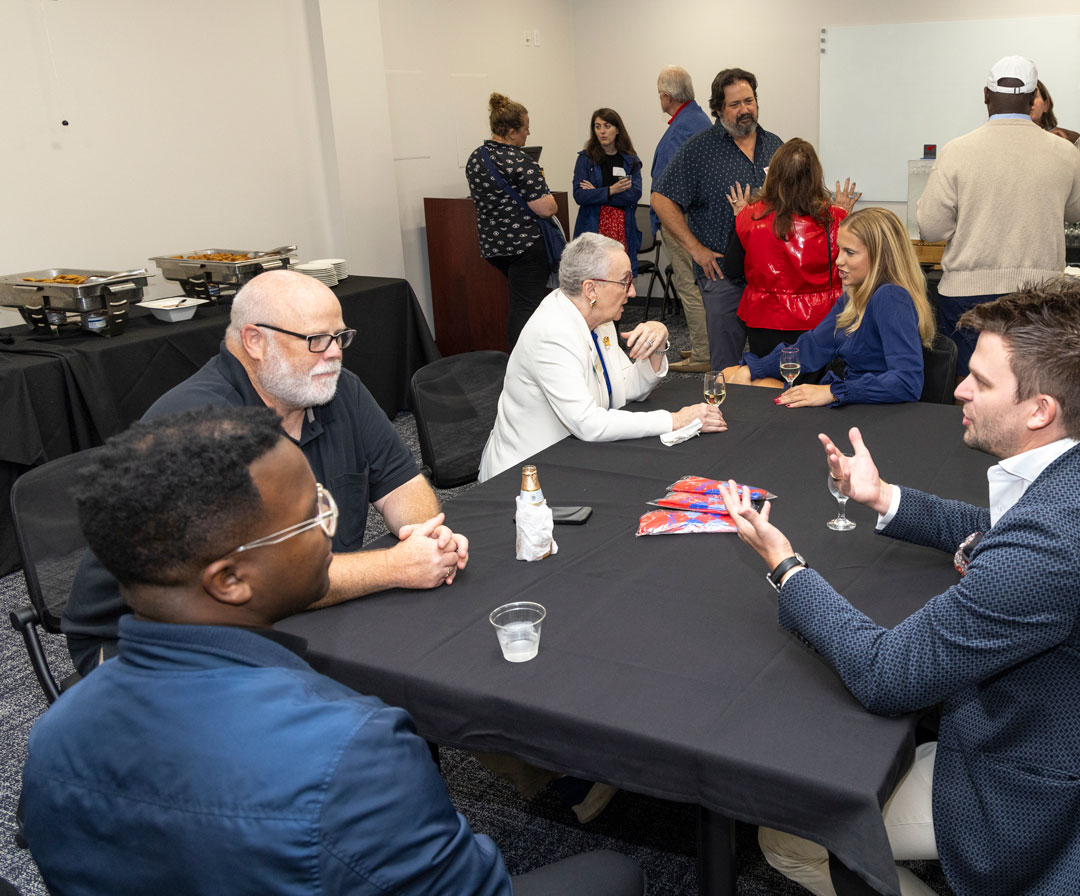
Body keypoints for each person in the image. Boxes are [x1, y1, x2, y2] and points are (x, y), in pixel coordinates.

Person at [21, 406, 646, 896]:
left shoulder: (54, 735)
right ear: (228, 580)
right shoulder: (350, 749)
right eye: (312, 514)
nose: (331, 527)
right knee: (615, 873)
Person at [717, 280, 1080, 896]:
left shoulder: (1052, 549)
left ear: (1039, 410)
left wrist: (787, 568)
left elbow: (887, 675)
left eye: (981, 381)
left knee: (785, 838)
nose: (959, 390)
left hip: (1032, 785)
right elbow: (1000, 533)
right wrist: (885, 496)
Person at [62, 270, 467, 676]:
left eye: (340, 337)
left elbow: (402, 483)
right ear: (255, 341)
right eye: (315, 340)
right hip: (149, 639)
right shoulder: (201, 427)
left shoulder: (337, 389)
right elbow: (266, 579)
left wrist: (424, 538)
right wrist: (395, 567)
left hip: (278, 601)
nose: (334, 354)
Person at [479, 233, 726, 482]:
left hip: (572, 455)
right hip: (525, 476)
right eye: (624, 281)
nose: (631, 292)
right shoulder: (552, 333)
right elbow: (588, 423)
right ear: (591, 289)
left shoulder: (598, 318)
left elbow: (628, 388)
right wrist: (675, 420)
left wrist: (659, 343)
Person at [916, 55, 1080, 378]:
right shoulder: (1064, 151)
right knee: (1032, 380)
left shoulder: (956, 151)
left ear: (985, 94)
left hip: (966, 294)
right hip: (1041, 293)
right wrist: (1079, 154)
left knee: (970, 382)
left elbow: (931, 228)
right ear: (1032, 101)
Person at [724, 207, 933, 408]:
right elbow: (812, 347)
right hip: (846, 396)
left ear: (881, 257)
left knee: (750, 386)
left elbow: (907, 383)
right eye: (839, 249)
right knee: (731, 374)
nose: (839, 260)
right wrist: (755, 368)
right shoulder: (853, 298)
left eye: (850, 253)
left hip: (870, 409)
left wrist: (832, 392)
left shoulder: (891, 298)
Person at [651, 67, 784, 370]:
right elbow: (660, 198)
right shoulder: (699, 150)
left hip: (769, 275)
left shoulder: (775, 146)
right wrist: (695, 249)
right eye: (735, 105)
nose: (745, 110)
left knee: (772, 364)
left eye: (749, 101)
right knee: (726, 365)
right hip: (722, 276)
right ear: (718, 109)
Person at [721, 138, 855, 356]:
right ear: (815, 176)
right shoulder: (836, 220)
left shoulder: (749, 217)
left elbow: (732, 269)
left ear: (773, 175)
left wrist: (741, 218)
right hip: (820, 322)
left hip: (763, 321)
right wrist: (845, 218)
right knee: (816, 385)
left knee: (767, 383)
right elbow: (852, 271)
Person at [466, 91, 559, 347]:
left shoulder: (476, 158)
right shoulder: (520, 160)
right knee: (526, 308)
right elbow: (546, 208)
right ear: (511, 131)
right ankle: (522, 364)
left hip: (494, 247)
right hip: (525, 247)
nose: (528, 133)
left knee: (520, 302)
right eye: (525, 129)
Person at [651, 66, 714, 373]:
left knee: (689, 287)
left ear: (667, 95)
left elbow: (671, 184)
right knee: (696, 286)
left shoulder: (682, 128)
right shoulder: (697, 120)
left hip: (680, 219)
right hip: (692, 218)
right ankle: (703, 345)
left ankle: (703, 354)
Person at [573, 107, 643, 271]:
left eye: (607, 126)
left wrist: (596, 192)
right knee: (593, 274)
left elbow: (633, 195)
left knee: (619, 274)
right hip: (592, 225)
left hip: (622, 225)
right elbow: (580, 195)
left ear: (617, 129)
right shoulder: (585, 159)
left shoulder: (629, 160)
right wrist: (610, 190)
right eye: (597, 127)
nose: (602, 132)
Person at [1031, 79, 1080, 181]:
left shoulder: (1071, 139)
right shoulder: (1004, 138)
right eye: (1024, 97)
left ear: (1045, 105)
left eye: (1034, 96)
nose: (1029, 103)